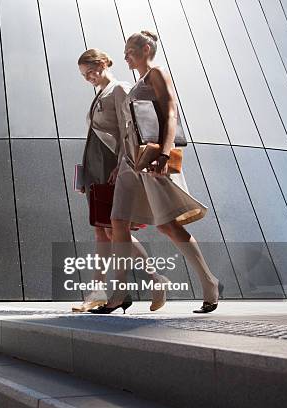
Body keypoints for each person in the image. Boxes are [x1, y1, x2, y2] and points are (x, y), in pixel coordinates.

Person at [96, 31, 222, 314]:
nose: (125, 55)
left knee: (167, 224)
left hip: (153, 159)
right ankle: (117, 294)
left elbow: (170, 113)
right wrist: (120, 164)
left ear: (145, 48)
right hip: (131, 162)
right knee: (117, 221)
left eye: (130, 50)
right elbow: (130, 128)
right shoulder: (137, 83)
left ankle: (209, 282)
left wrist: (165, 154)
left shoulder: (157, 73)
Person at [72, 49, 169, 313]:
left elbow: (131, 129)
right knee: (102, 231)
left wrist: (123, 164)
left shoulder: (119, 89)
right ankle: (99, 291)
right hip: (97, 170)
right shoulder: (100, 94)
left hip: (114, 168)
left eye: (91, 70)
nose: (89, 77)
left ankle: (153, 279)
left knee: (115, 230)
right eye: (84, 74)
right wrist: (84, 175)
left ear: (103, 63)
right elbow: (95, 137)